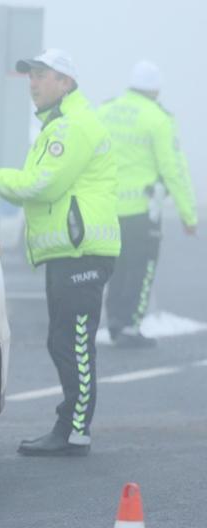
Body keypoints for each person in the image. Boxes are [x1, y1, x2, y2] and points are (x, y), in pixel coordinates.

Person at [0, 49, 120, 457]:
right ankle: (71, 427)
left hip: (82, 251)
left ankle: (74, 431)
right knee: (63, 340)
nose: (32, 82)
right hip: (69, 251)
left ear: (65, 83)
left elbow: (41, 184)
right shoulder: (60, 124)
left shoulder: (71, 127)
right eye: (30, 74)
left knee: (74, 342)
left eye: (42, 75)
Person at [98, 60, 198, 347]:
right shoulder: (158, 118)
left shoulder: (106, 110)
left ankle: (115, 320)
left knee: (116, 267)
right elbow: (173, 170)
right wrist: (188, 216)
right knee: (141, 269)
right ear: (156, 89)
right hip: (143, 211)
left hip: (108, 208)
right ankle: (130, 326)